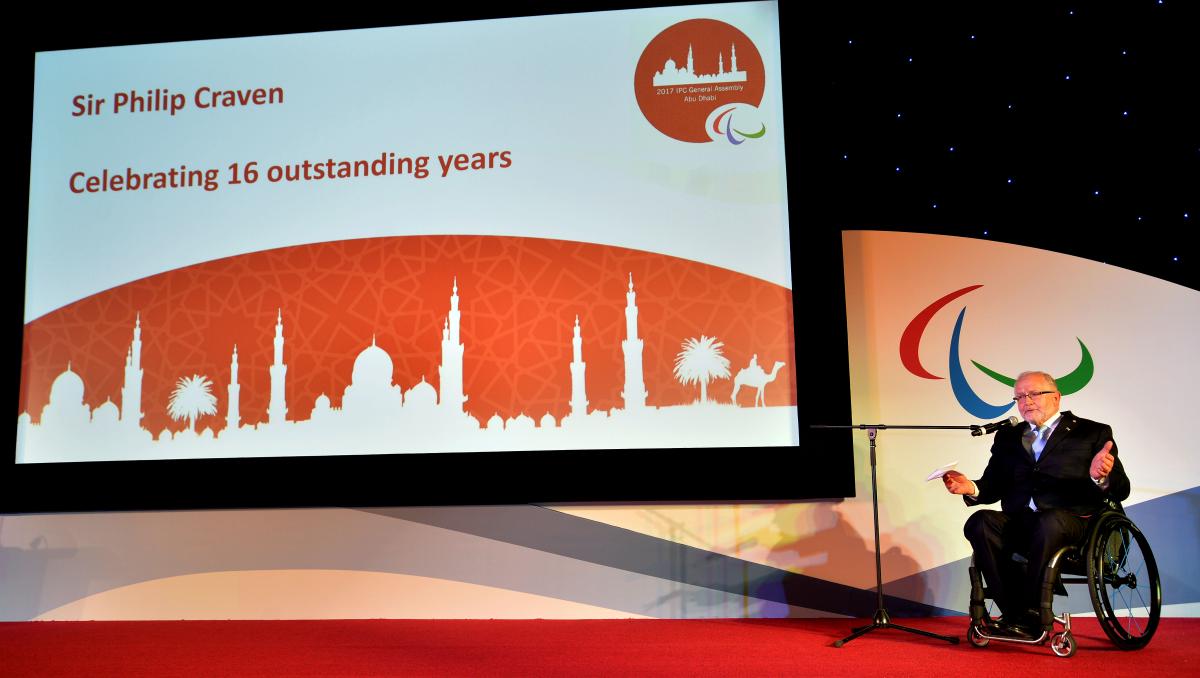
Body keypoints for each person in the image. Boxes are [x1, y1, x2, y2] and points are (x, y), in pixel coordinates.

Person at [942, 370, 1129, 637]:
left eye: (1033, 394)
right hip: (1023, 523)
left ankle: (1029, 610)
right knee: (980, 521)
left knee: (1048, 521)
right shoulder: (1008, 437)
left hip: (1073, 522)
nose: (1025, 401)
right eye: (1019, 396)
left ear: (1056, 397)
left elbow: (1122, 489)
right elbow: (992, 485)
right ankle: (1016, 614)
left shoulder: (1091, 432)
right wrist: (969, 487)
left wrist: (1101, 477)